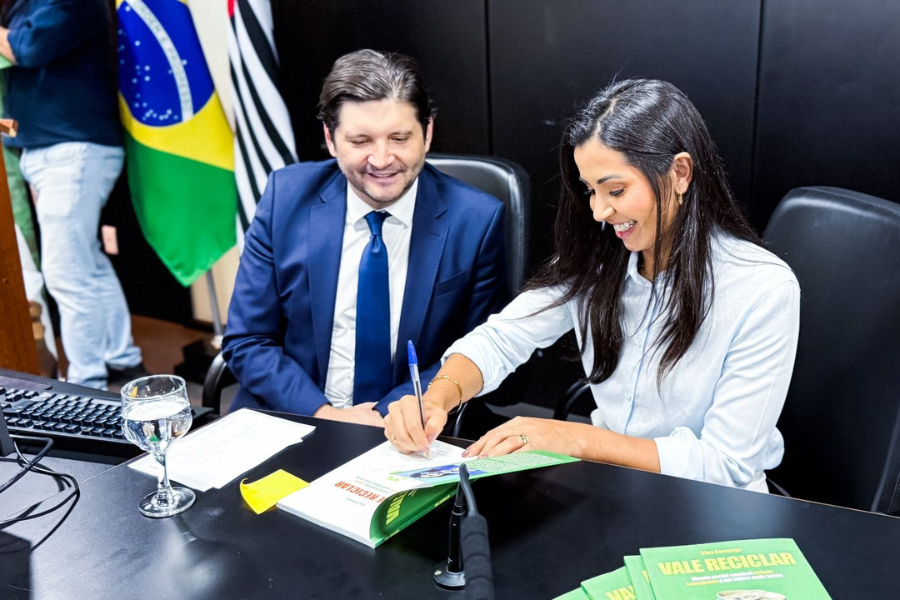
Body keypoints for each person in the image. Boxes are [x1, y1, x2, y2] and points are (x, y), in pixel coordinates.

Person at [385, 79, 800, 492]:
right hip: (614, 487)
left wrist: (580, 440)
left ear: (679, 172)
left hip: (712, 508)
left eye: (615, 189)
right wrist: (439, 395)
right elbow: (502, 338)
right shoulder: (598, 259)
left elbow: (724, 464)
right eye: (590, 190)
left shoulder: (762, 289)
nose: (600, 211)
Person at [223, 50, 508, 426]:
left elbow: (478, 352)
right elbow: (248, 341)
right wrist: (325, 415)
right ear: (330, 138)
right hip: (291, 416)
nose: (382, 159)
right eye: (361, 141)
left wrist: (384, 416)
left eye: (399, 137)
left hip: (410, 425)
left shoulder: (476, 219)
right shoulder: (285, 197)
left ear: (427, 133)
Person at [0, 0, 146, 389]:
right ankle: (122, 358)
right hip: (48, 148)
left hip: (72, 149)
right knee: (86, 262)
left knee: (65, 272)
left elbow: (29, 48)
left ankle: (85, 384)